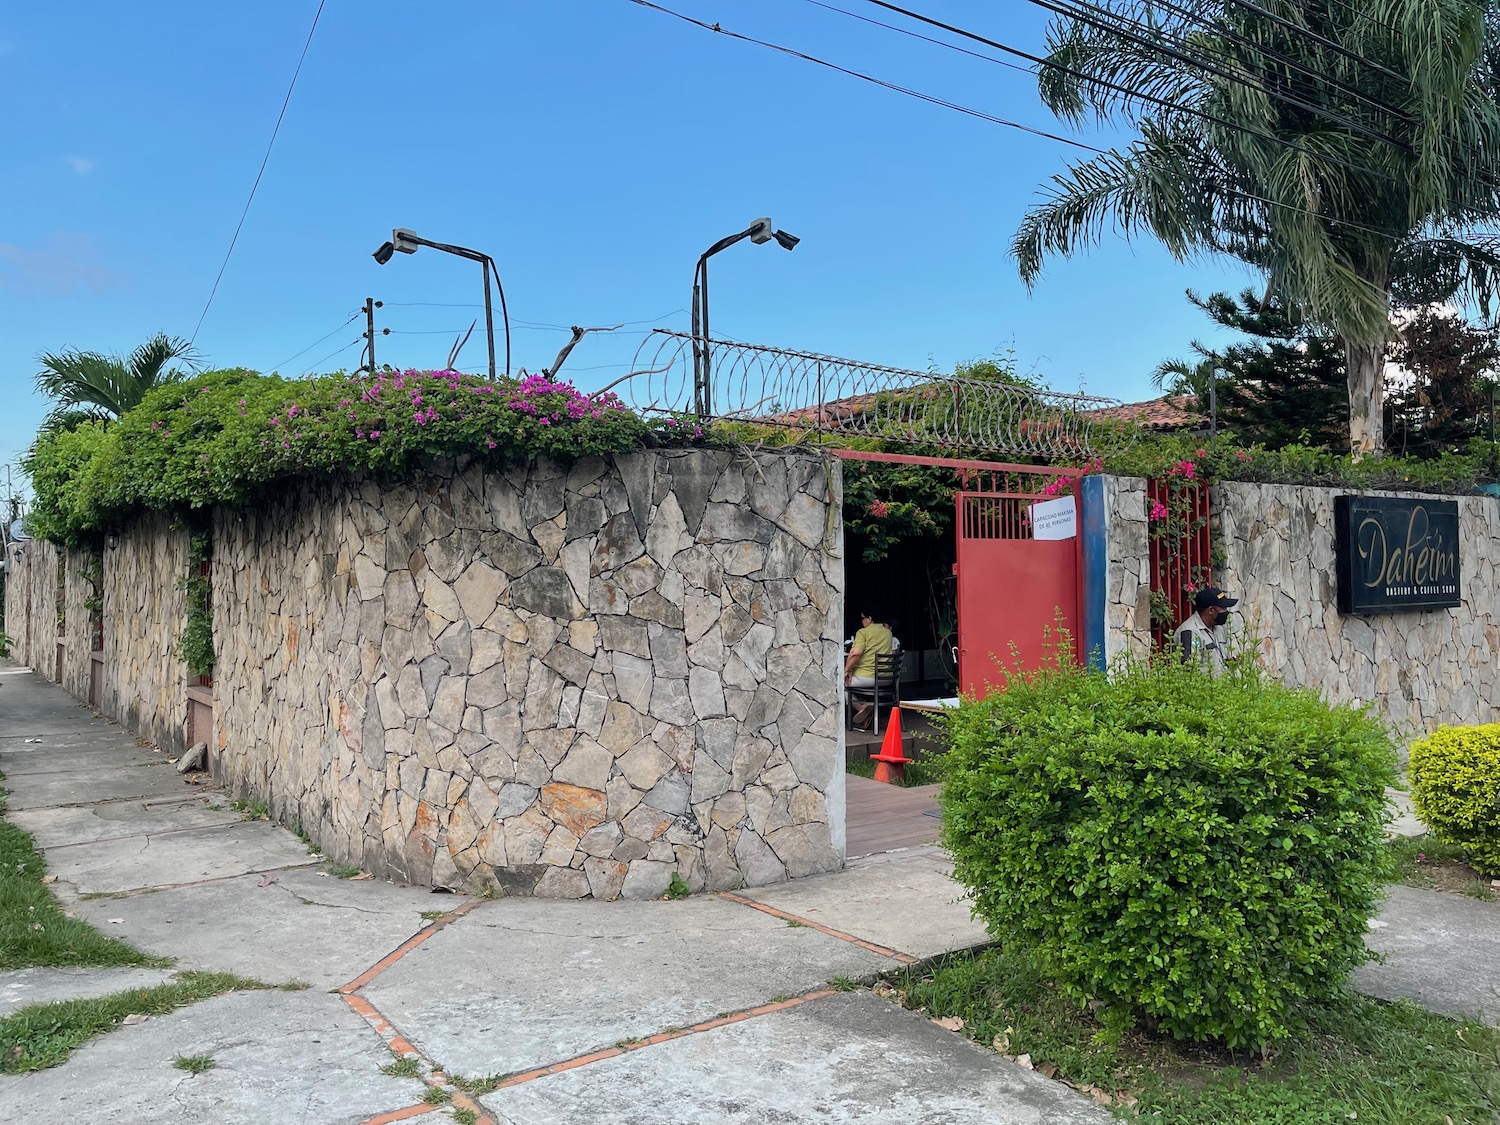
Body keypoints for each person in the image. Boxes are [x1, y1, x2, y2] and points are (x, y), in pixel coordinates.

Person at [844, 605, 895, 730]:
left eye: (863, 618)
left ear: (870, 618)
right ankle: (865, 713)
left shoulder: (863, 632)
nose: (862, 621)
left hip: (866, 677)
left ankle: (862, 708)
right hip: (886, 678)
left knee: (838, 685)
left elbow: (855, 653)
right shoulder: (888, 633)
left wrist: (847, 671)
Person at [1175, 586, 1238, 674]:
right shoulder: (1190, 632)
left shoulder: (1218, 628)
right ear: (1211, 610)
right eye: (1223, 608)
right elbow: (1189, 671)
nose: (1226, 612)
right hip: (1207, 687)